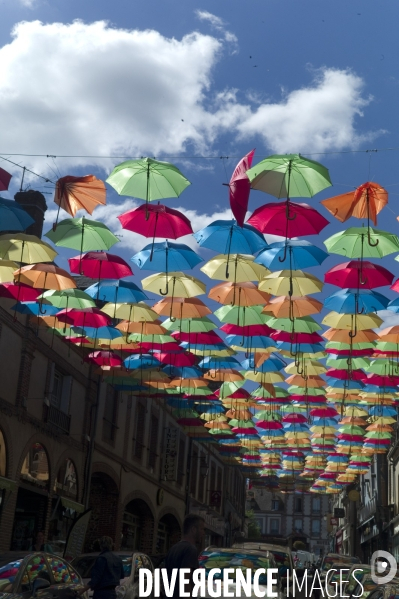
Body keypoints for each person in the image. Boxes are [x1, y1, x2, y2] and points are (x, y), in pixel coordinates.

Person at [165, 514, 205, 598]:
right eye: (202, 529)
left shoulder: (173, 549)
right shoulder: (191, 550)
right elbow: (185, 580)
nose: (203, 533)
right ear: (193, 529)